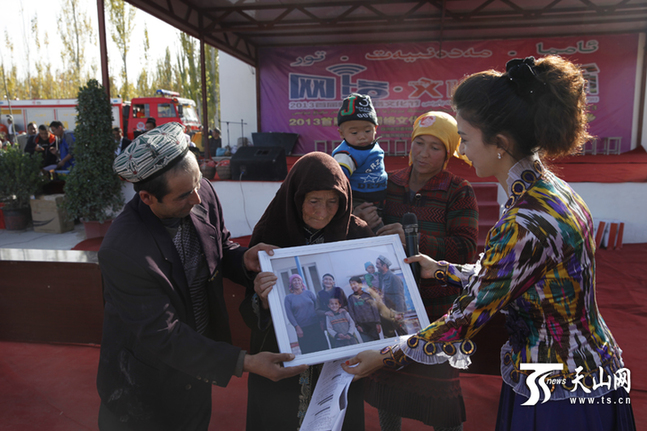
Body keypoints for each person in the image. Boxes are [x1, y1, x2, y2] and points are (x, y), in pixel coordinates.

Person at [343, 56, 636, 431]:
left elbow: (464, 319)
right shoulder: (553, 191)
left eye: (464, 139)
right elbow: (513, 273)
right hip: (588, 367)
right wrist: (443, 269)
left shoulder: (523, 220)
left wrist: (385, 355)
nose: (462, 152)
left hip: (556, 387)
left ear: (500, 143)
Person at [97, 122, 306, 431]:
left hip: (196, 373)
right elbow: (164, 335)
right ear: (147, 198)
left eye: (198, 183)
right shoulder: (123, 250)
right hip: (144, 389)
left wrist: (242, 258)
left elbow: (219, 246)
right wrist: (245, 362)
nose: (197, 198)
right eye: (184, 195)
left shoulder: (199, 191)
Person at [355, 110, 479, 431]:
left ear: (448, 152)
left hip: (438, 309)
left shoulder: (458, 190)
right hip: (392, 303)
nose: (423, 153)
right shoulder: (388, 183)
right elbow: (370, 236)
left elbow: (466, 249)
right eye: (418, 143)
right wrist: (363, 218)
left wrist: (414, 239)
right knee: (388, 386)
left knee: (441, 397)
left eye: (435, 147)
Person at [241, 152, 373, 431]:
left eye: (332, 201)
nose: (322, 211)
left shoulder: (357, 234)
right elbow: (248, 312)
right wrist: (262, 300)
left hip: (340, 363)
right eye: (314, 201)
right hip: (282, 370)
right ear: (296, 197)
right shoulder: (270, 233)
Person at [332, 93, 388, 230]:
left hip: (379, 198)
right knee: (377, 228)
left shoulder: (372, 146)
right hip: (359, 200)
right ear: (341, 133)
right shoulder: (346, 154)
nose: (362, 136)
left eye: (367, 130)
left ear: (376, 128)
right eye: (354, 133)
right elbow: (339, 179)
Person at [284, 274, 328, 354]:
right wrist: (297, 327)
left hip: (316, 325)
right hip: (303, 329)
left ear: (301, 282)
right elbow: (289, 314)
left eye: (298, 280)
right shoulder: (288, 298)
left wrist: (322, 321)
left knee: (323, 349)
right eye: (294, 280)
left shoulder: (309, 293)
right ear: (291, 283)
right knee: (308, 352)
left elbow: (318, 307)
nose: (297, 282)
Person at [347, 275, 382, 342]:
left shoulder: (367, 296)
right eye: (351, 285)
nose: (353, 286)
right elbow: (351, 313)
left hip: (372, 324)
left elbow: (374, 310)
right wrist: (357, 325)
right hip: (361, 325)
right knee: (367, 343)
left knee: (377, 342)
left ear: (360, 284)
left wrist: (378, 323)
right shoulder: (351, 298)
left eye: (354, 284)